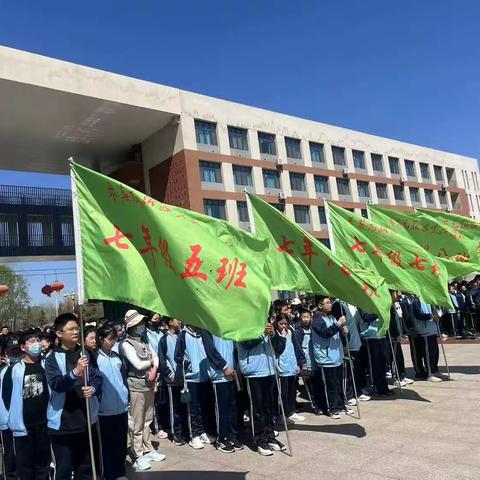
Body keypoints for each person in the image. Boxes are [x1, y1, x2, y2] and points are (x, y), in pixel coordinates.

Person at [45, 313, 103, 480]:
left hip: (85, 420)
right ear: (59, 333)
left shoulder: (86, 353)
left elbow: (97, 377)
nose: (76, 332)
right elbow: (56, 384)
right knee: (63, 469)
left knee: (85, 468)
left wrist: (92, 388)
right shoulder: (52, 358)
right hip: (63, 424)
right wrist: (75, 372)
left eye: (77, 328)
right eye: (71, 329)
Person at [120, 309, 165, 471]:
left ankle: (147, 448)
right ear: (132, 326)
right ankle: (137, 454)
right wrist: (152, 363)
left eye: (142, 323)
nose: (142, 325)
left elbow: (157, 357)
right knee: (137, 422)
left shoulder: (144, 340)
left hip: (149, 384)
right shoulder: (126, 343)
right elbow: (138, 364)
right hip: (136, 386)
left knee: (148, 418)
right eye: (139, 323)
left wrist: (154, 369)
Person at [7, 329, 51, 480]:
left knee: (43, 465)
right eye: (31, 341)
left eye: (37, 340)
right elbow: (7, 396)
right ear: (22, 347)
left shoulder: (47, 365)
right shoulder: (14, 370)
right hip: (23, 426)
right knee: (25, 466)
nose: (36, 344)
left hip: (45, 423)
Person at [237, 323, 286, 456]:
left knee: (269, 407)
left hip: (269, 371)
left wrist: (273, 334)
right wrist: (261, 333)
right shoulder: (243, 326)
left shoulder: (268, 326)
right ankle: (259, 440)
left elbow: (280, 347)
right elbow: (246, 344)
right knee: (257, 409)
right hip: (253, 373)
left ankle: (270, 436)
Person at [174, 324, 216, 450]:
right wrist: (188, 365)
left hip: (205, 376)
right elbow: (178, 356)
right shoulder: (183, 335)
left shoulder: (203, 333)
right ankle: (194, 435)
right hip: (191, 378)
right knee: (193, 408)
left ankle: (202, 431)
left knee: (204, 406)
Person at [96, 322, 129, 480]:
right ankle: (109, 474)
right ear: (101, 339)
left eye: (114, 339)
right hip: (105, 410)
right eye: (109, 339)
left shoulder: (117, 356)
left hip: (121, 407)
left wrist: (125, 394)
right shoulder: (95, 358)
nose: (112, 342)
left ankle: (120, 472)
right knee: (108, 444)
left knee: (121, 442)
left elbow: (123, 378)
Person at [203, 330, 243, 453]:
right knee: (221, 409)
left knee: (232, 407)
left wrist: (236, 366)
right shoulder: (207, 328)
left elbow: (234, 348)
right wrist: (224, 366)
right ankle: (222, 438)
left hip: (232, 374)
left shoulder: (228, 326)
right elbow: (211, 351)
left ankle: (233, 436)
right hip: (219, 375)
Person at [311, 296, 350, 418]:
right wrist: (338, 324)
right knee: (330, 385)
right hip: (326, 358)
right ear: (319, 305)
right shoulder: (317, 320)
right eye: (327, 303)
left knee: (338, 384)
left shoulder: (331, 317)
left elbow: (336, 334)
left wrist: (344, 332)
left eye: (330, 302)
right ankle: (332, 408)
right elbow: (325, 333)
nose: (330, 304)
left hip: (336, 356)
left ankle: (340, 405)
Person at [331, 299, 371, 405]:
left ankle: (357, 392)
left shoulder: (348, 305)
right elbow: (340, 324)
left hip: (355, 342)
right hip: (348, 344)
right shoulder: (337, 305)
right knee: (348, 372)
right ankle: (348, 395)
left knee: (356, 370)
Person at [158, 317, 188, 446]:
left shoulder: (183, 336)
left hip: (185, 378)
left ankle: (186, 432)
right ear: (170, 322)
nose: (180, 321)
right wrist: (171, 374)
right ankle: (176, 433)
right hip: (172, 380)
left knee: (185, 406)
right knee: (174, 408)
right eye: (177, 319)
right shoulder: (164, 339)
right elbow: (162, 359)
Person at [272, 313, 307, 423]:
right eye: (280, 323)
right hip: (282, 369)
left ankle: (290, 412)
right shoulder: (275, 334)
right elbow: (278, 349)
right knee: (283, 394)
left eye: (285, 324)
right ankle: (281, 415)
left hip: (292, 367)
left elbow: (296, 348)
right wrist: (281, 336)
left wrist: (298, 364)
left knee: (292, 392)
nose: (283, 326)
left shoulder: (291, 333)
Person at [410, 297, 447, 382]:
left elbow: (436, 311)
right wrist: (431, 316)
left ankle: (435, 370)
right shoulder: (416, 301)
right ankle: (430, 373)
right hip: (424, 331)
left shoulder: (430, 300)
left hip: (433, 330)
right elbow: (418, 315)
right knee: (428, 354)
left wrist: (438, 315)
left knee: (435, 352)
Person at [0, 336, 22, 480]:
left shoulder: (23, 369)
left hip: (23, 423)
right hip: (6, 422)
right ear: (6, 353)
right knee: (10, 458)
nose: (14, 354)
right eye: (11, 352)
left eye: (16, 351)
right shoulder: (3, 372)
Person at [358, 310, 394, 397]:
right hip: (370, 336)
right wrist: (378, 312)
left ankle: (384, 387)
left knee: (382, 364)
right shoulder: (363, 302)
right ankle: (377, 387)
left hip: (380, 334)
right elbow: (365, 316)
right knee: (374, 364)